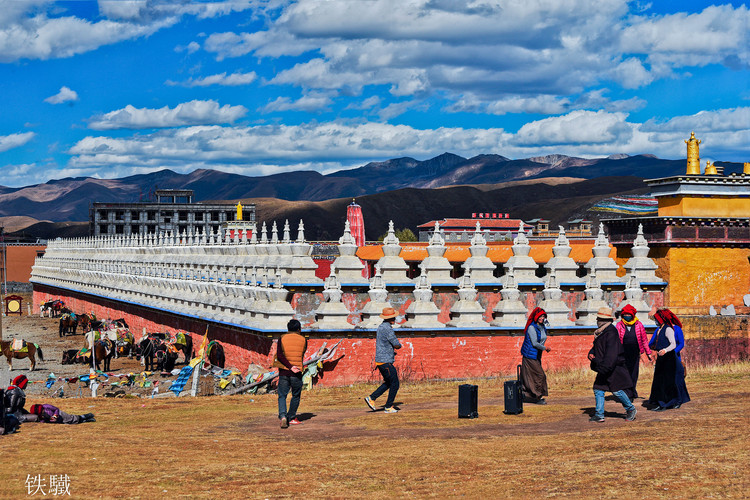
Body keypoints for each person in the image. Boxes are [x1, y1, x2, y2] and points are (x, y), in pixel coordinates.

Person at [588, 307, 637, 422]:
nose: (597, 321)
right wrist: (591, 353)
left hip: (612, 367)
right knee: (598, 389)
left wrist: (602, 365)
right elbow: (597, 347)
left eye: (599, 319)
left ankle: (630, 409)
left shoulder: (611, 333)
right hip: (603, 366)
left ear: (604, 320)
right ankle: (599, 414)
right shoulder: (602, 332)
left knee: (617, 390)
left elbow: (612, 354)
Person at [647, 309, 689, 410]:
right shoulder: (658, 330)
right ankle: (661, 402)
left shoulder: (673, 329)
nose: (655, 321)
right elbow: (653, 343)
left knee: (674, 381)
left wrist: (667, 351)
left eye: (657, 319)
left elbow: (677, 344)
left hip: (671, 358)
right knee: (661, 380)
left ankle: (675, 401)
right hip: (662, 358)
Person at [364, 307, 402, 414]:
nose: (394, 319)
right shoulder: (388, 329)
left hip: (381, 360)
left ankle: (371, 398)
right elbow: (395, 343)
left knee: (389, 382)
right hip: (385, 361)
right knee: (395, 383)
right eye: (393, 317)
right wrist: (398, 346)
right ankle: (388, 406)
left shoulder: (381, 327)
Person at [272, 318, 308, 429]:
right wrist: (293, 367)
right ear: (299, 329)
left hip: (284, 371)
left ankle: (283, 416)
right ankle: (291, 417)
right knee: (295, 395)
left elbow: (280, 355)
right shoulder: (303, 340)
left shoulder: (282, 338)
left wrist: (289, 367)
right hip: (297, 372)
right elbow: (302, 354)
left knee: (282, 395)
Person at [615, 304, 652, 400]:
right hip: (623, 353)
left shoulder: (639, 325)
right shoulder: (619, 325)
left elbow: (644, 339)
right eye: (625, 314)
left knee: (634, 373)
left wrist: (648, 353)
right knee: (625, 373)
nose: (627, 316)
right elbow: (616, 340)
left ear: (633, 315)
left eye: (629, 314)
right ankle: (627, 393)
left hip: (635, 353)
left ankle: (632, 391)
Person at [520, 307, 551, 404]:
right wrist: (544, 348)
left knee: (530, 375)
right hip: (530, 354)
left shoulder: (542, 327)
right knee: (539, 375)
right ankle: (537, 397)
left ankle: (526, 395)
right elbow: (534, 343)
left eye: (543, 316)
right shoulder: (532, 328)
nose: (542, 318)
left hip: (536, 355)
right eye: (540, 316)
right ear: (536, 317)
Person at [26, 404, 95, 424]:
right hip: (58, 421)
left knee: (71, 418)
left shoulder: (46, 406)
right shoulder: (41, 417)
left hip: (60, 414)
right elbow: (44, 421)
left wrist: (55, 416)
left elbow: (56, 409)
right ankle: (86, 420)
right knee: (70, 423)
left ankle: (85, 416)